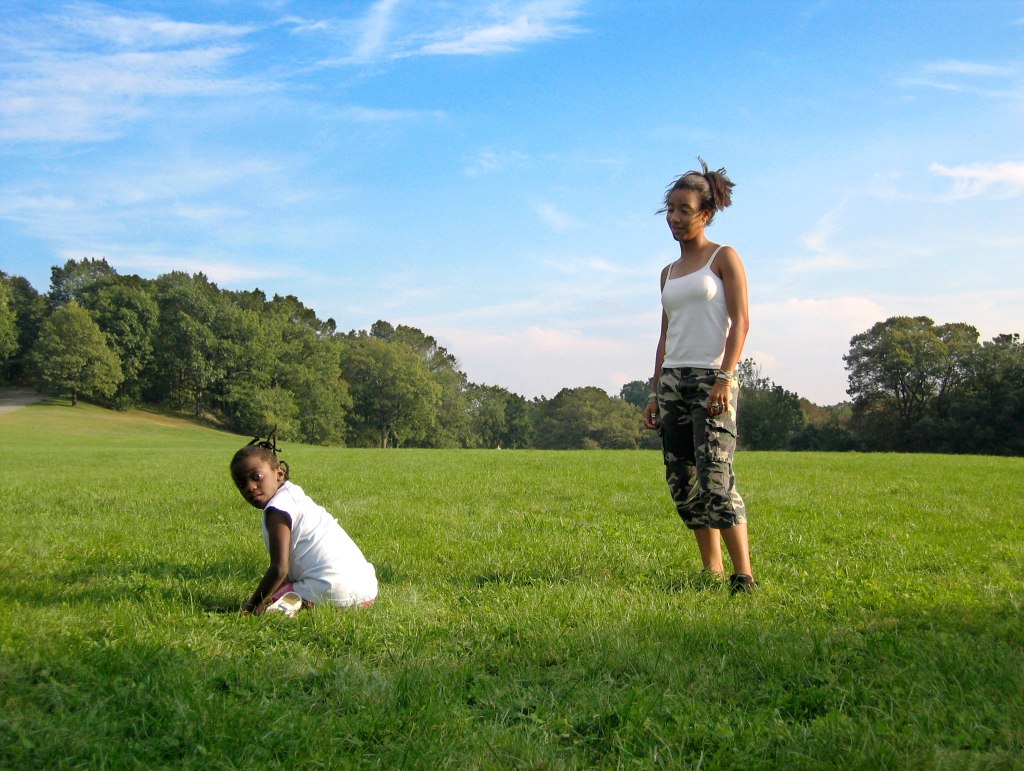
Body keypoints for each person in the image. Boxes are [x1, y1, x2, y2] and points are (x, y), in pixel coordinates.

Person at [641, 159, 757, 594]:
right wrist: (654, 393)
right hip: (672, 380)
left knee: (716, 479)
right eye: (670, 209)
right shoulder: (668, 273)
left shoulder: (723, 257)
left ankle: (743, 575)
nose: (674, 217)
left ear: (705, 214)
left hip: (712, 379)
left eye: (684, 210)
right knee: (683, 481)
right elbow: (665, 334)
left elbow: (741, 323)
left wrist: (726, 377)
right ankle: (711, 572)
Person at [230, 430, 378, 614]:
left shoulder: (277, 510)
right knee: (279, 590)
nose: (250, 487)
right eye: (241, 484)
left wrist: (249, 609)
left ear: (279, 474)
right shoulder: (293, 494)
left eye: (256, 477)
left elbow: (279, 569)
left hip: (335, 589)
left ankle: (293, 605)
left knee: (264, 608)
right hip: (365, 589)